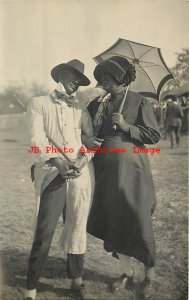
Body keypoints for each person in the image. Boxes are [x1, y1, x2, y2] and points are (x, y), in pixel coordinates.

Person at [86, 56, 161, 297]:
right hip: (105, 169)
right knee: (115, 219)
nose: (103, 81)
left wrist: (128, 127)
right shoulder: (98, 103)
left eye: (107, 77)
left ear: (120, 78)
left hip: (132, 168)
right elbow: (84, 131)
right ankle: (126, 273)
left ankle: (149, 277)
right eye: (101, 78)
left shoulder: (139, 101)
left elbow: (153, 135)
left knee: (137, 219)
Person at [24, 59, 94, 300]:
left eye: (80, 79)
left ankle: (76, 280)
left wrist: (82, 161)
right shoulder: (39, 104)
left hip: (78, 174)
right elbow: (37, 140)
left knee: (76, 226)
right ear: (61, 74)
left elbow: (90, 142)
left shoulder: (81, 109)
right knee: (45, 230)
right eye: (72, 76)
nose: (75, 82)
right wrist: (59, 162)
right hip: (53, 173)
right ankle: (31, 286)